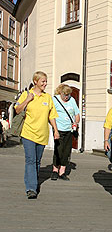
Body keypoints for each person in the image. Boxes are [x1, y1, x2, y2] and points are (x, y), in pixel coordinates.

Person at [15, 71, 59, 199]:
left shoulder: (48, 98)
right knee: (30, 160)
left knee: (37, 162)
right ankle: (31, 188)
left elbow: (52, 116)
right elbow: (17, 110)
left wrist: (55, 130)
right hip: (28, 133)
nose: (45, 83)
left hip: (42, 134)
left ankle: (32, 182)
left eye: (46, 81)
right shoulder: (26, 94)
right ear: (36, 81)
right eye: (43, 81)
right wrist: (27, 100)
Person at [51, 84, 80, 181]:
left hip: (69, 130)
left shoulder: (72, 100)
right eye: (65, 95)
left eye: (68, 95)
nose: (67, 97)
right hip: (58, 128)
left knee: (67, 151)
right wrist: (55, 129)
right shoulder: (55, 99)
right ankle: (55, 170)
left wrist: (75, 123)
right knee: (58, 149)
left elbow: (77, 114)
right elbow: (51, 115)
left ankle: (62, 171)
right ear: (61, 93)